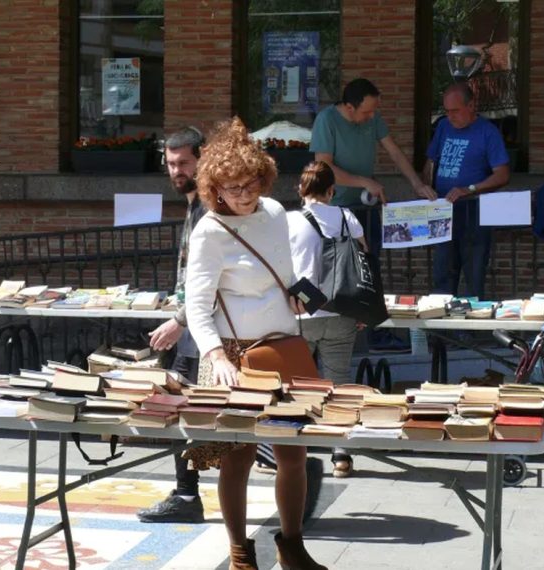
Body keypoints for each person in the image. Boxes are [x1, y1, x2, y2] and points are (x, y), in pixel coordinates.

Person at [186, 117, 326, 570]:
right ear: (214, 189)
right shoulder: (209, 231)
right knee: (239, 455)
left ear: (262, 178)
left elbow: (281, 273)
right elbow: (196, 305)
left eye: (249, 184)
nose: (243, 194)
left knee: (293, 453)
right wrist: (213, 356)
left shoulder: (275, 213)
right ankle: (239, 551)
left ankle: (292, 545)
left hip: (283, 344)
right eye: (231, 188)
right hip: (234, 354)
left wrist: (294, 295)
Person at [136, 126, 207, 523]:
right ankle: (186, 494)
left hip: (203, 334)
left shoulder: (210, 207)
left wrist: (180, 319)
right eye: (170, 163)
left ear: (202, 158)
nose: (176, 171)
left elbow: (212, 277)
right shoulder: (194, 203)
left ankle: (186, 495)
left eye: (183, 163)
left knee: (188, 411)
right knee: (183, 410)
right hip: (193, 330)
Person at [287, 161, 366, 478]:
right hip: (340, 312)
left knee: (297, 387)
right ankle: (341, 456)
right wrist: (360, 308)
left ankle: (292, 453)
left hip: (301, 313)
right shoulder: (348, 218)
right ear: (332, 190)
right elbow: (364, 261)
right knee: (339, 385)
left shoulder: (290, 221)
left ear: (301, 189)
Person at [310, 77, 436, 257]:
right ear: (349, 107)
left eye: (374, 110)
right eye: (366, 112)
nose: (372, 116)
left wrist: (417, 184)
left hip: (366, 205)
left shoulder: (373, 117)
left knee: (372, 262)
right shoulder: (326, 120)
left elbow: (394, 152)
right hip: (336, 208)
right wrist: (364, 181)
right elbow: (324, 168)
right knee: (346, 268)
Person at [422, 83, 510, 298]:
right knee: (443, 274)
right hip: (443, 211)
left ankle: (469, 330)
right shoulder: (443, 126)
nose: (450, 116)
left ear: (471, 105)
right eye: (447, 111)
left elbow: (503, 174)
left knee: (473, 275)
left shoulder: (487, 132)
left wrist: (469, 189)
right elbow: (430, 161)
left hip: (474, 213)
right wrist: (425, 187)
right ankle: (441, 331)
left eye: (455, 111)